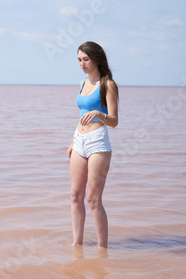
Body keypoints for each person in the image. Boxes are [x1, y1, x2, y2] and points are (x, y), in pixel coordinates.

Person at [67, 41, 119, 249]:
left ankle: (102, 249)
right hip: (79, 140)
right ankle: (76, 244)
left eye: (86, 59)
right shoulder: (82, 82)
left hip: (98, 142)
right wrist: (73, 140)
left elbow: (114, 121)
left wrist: (100, 114)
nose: (82, 63)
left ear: (96, 58)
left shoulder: (108, 84)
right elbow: (81, 115)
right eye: (79, 60)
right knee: (75, 195)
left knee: (93, 199)